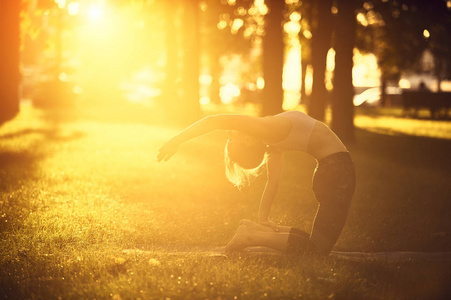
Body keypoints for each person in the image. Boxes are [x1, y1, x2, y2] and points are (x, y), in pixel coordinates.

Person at [157, 111, 355, 256]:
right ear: (248, 143)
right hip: (337, 172)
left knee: (313, 244)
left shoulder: (270, 136)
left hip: (332, 172)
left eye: (230, 137)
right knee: (317, 251)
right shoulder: (267, 131)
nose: (230, 134)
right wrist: (175, 141)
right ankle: (252, 237)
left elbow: (273, 182)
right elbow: (213, 121)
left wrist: (264, 220)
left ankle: (256, 232)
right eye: (232, 139)